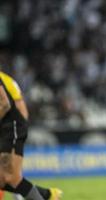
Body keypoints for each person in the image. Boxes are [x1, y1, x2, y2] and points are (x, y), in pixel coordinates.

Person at [0, 71, 62, 200]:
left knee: (10, 178)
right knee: (5, 179)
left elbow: (7, 105)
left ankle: (45, 195)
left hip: (11, 127)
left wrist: (20, 133)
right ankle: (46, 194)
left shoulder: (5, 79)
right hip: (8, 128)